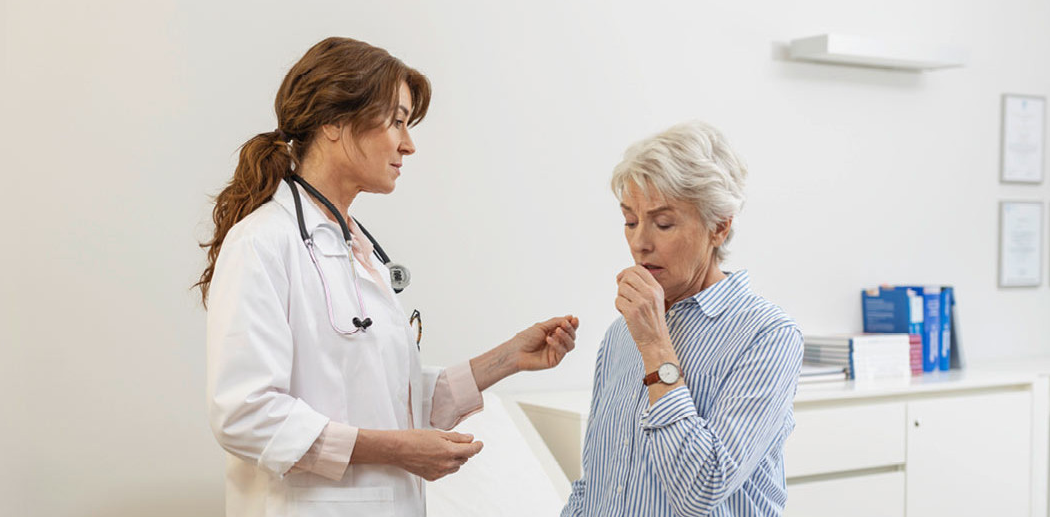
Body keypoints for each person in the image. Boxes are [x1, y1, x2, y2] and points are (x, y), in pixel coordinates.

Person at [197, 37, 580, 517]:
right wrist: (398, 450)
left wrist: (507, 359)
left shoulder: (355, 247)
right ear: (335, 121)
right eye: (396, 121)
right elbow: (245, 414)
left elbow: (390, 399)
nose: (409, 144)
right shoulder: (263, 243)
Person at [561, 121, 804, 517]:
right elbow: (596, 486)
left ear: (719, 227)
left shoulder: (767, 336)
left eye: (664, 223)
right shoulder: (620, 335)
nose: (640, 242)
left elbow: (703, 488)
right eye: (630, 220)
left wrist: (656, 347)